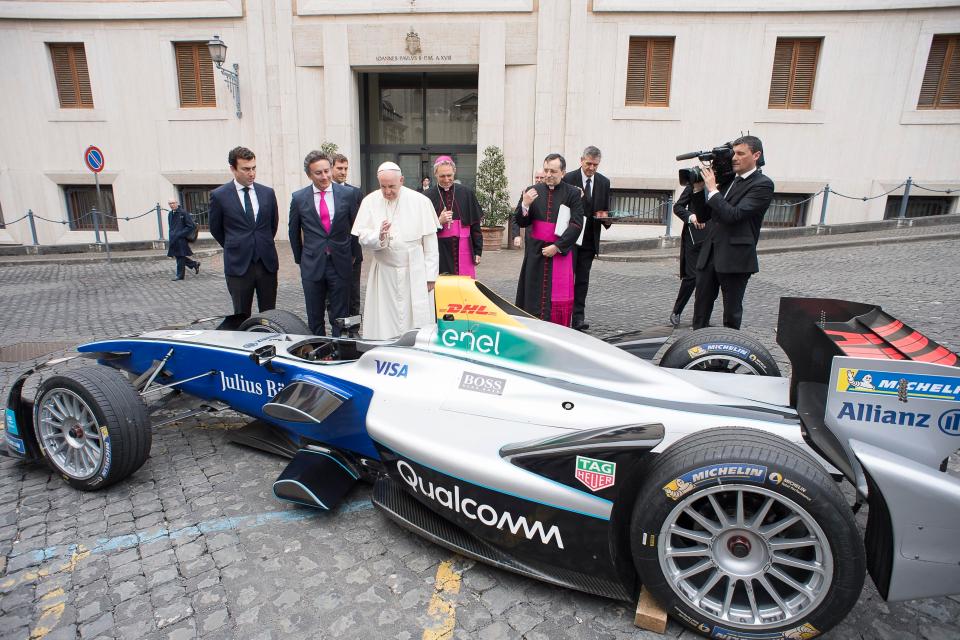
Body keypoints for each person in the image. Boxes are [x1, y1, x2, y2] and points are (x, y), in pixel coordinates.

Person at [689, 135, 774, 330]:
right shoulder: (728, 181)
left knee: (731, 314)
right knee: (700, 311)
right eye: (733, 153)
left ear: (756, 155)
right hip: (709, 255)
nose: (734, 158)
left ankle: (725, 356)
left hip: (736, 258)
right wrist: (698, 189)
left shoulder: (762, 184)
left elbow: (733, 215)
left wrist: (712, 189)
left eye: (740, 153)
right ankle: (698, 353)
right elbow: (703, 217)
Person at [351, 162, 440, 340]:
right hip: (384, 271)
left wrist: (431, 276)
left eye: (391, 186)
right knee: (384, 318)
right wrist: (379, 235)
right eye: (383, 186)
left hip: (414, 271)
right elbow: (362, 236)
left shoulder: (420, 201)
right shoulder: (370, 201)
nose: (387, 191)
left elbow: (430, 244)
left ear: (401, 180)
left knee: (415, 318)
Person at [289, 151, 361, 336]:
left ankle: (339, 350)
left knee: (341, 315)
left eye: (327, 171)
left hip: (340, 262)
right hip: (312, 264)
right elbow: (293, 232)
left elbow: (355, 227)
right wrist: (301, 259)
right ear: (309, 175)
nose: (324, 176)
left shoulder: (348, 194)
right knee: (314, 316)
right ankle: (318, 351)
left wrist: (353, 255)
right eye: (318, 173)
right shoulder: (299, 198)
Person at [209, 146, 280, 318]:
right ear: (233, 169)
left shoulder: (267, 193)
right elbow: (216, 228)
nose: (251, 173)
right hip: (238, 264)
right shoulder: (220, 195)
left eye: (254, 168)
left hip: (266, 263)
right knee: (241, 314)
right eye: (246, 169)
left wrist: (261, 243)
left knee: (269, 314)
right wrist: (236, 244)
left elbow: (273, 224)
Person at [514, 154, 584, 327]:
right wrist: (525, 205)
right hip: (536, 252)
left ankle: (557, 329)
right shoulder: (532, 190)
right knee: (532, 293)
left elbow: (576, 224)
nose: (548, 174)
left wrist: (558, 246)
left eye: (553, 171)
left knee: (556, 297)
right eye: (546, 170)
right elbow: (521, 222)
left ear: (563, 172)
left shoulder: (573, 193)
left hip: (560, 252)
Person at [562, 146, 611, 331]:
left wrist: (606, 219)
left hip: (590, 239)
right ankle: (563, 314)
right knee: (567, 277)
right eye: (588, 163)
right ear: (581, 160)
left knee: (582, 279)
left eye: (595, 165)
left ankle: (578, 317)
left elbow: (605, 208)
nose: (591, 168)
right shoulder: (568, 179)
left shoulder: (604, 182)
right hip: (571, 238)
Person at [426, 156, 483, 278]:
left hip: (464, 247)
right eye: (442, 176)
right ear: (435, 174)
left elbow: (475, 225)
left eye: (449, 175)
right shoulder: (427, 196)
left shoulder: (467, 193)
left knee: (464, 287)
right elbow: (421, 228)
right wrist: (438, 221)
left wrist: (478, 251)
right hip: (439, 249)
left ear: (454, 172)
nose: (446, 179)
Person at [668, 184, 710, 326]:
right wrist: (691, 217)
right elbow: (678, 207)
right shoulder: (696, 182)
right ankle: (677, 311)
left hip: (713, 236)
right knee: (691, 277)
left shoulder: (727, 183)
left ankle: (701, 317)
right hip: (694, 237)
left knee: (708, 279)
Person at [332, 153, 364, 320]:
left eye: (345, 168)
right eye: (339, 168)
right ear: (331, 168)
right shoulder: (324, 193)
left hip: (352, 254)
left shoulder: (355, 193)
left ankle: (354, 330)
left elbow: (359, 225)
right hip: (331, 253)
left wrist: (354, 253)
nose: (343, 172)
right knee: (333, 296)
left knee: (353, 295)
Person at [166, 198, 200, 281]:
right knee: (179, 256)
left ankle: (180, 275)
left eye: (173, 203)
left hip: (181, 239)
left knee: (180, 256)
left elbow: (191, 226)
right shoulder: (170, 214)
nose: (172, 205)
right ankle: (194, 264)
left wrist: (180, 234)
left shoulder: (183, 213)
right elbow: (171, 227)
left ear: (177, 203)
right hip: (173, 239)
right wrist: (172, 235)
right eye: (170, 203)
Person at [512, 169, 545, 249]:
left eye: (541, 178)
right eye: (537, 177)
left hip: (547, 237)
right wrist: (516, 235)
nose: (539, 180)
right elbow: (517, 215)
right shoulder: (527, 192)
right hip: (531, 237)